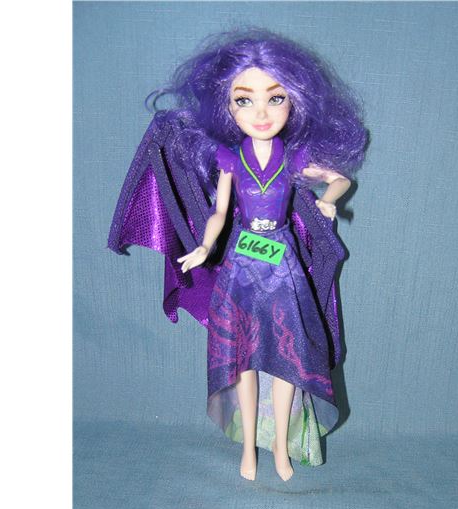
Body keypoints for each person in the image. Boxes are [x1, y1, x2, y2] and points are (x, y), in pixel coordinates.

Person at [108, 29, 367, 482]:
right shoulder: (230, 160)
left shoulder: (293, 158)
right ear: (225, 107)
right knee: (243, 359)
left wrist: (330, 199)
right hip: (241, 267)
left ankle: (281, 448)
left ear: (296, 102)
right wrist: (204, 246)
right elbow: (219, 212)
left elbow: (339, 178)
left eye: (276, 98)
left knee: (288, 361)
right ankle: (248, 447)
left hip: (283, 268)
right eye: (244, 100)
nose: (261, 112)